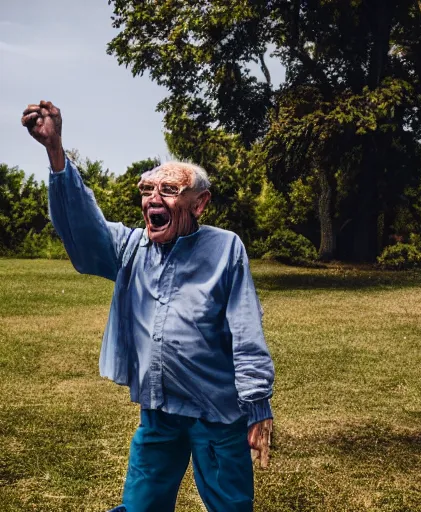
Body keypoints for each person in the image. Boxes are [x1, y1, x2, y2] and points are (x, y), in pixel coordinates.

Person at [21, 101, 275, 512]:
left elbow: (245, 329)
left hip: (218, 414)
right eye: (147, 190)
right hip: (159, 412)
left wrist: (258, 402)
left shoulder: (226, 248)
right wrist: (55, 152)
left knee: (231, 507)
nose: (153, 199)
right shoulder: (130, 247)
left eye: (169, 191)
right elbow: (84, 228)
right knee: (140, 507)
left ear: (199, 203)